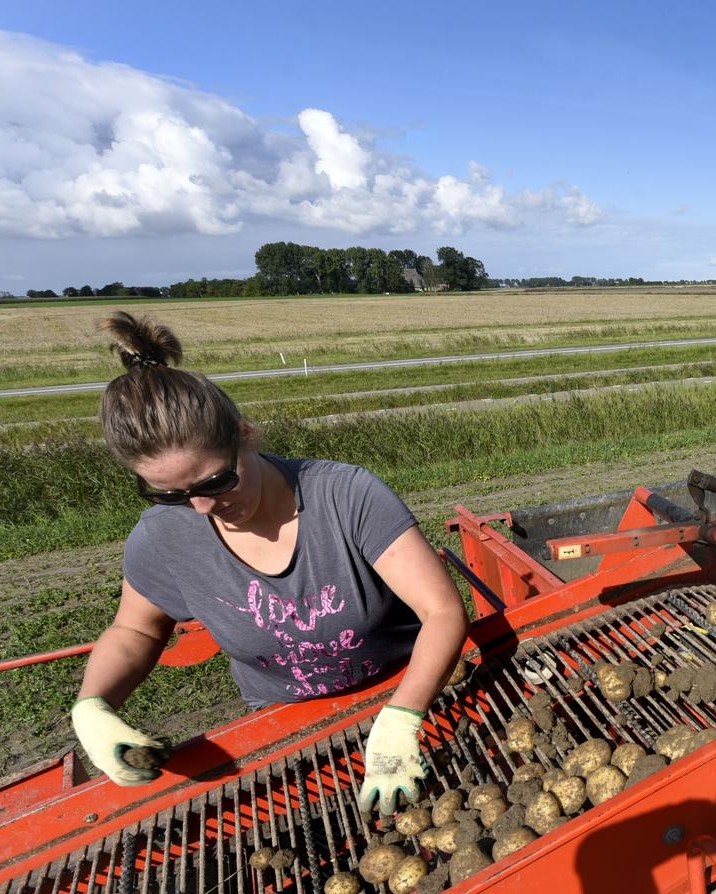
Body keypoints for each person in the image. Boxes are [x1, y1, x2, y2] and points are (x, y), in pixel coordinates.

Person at [70, 312, 466, 817]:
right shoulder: (161, 536)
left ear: (246, 435)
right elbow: (136, 632)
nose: (202, 508)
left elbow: (442, 611)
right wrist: (93, 704)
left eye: (215, 482)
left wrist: (403, 719)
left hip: (412, 695)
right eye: (170, 494)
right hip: (289, 730)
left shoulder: (346, 496)